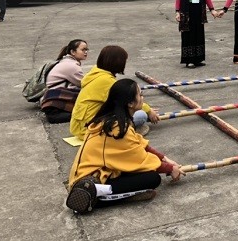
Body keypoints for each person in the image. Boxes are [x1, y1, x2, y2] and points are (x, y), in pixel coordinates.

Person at [66, 79, 184, 214]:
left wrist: (164, 158)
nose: (142, 98)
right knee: (153, 178)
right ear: (130, 103)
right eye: (140, 95)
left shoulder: (114, 119)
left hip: (99, 171)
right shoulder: (117, 128)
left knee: (147, 171)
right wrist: (170, 168)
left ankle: (125, 193)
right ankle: (93, 197)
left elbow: (138, 144)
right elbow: (140, 158)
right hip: (89, 181)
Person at [70, 45, 159, 140]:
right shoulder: (106, 81)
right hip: (87, 130)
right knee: (141, 115)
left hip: (78, 125)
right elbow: (129, 100)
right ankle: (129, 130)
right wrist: (149, 110)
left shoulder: (96, 72)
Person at [175, 0, 218, 68]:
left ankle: (198, 59)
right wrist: (177, 12)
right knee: (188, 35)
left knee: (198, 34)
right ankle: (189, 60)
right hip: (187, 13)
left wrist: (212, 9)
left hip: (198, 12)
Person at [40, 39, 89, 124]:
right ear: (73, 52)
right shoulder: (71, 66)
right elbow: (85, 84)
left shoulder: (66, 61)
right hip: (55, 99)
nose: (86, 52)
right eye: (83, 50)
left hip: (50, 97)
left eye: (86, 50)